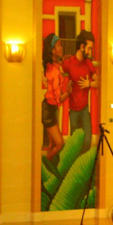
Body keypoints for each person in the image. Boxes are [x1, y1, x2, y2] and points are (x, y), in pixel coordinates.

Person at [61, 29, 98, 154]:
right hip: (73, 111)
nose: (90, 51)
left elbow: (99, 82)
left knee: (87, 139)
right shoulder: (69, 63)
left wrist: (89, 84)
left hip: (84, 109)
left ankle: (83, 164)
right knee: (75, 142)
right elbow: (58, 71)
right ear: (82, 47)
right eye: (89, 48)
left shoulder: (88, 63)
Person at [42, 34, 69, 164]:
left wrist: (63, 60)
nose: (61, 48)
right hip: (49, 109)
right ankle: (45, 165)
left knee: (52, 144)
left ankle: (47, 171)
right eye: (59, 45)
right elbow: (58, 99)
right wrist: (69, 91)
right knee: (59, 144)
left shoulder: (51, 65)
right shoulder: (54, 72)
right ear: (53, 50)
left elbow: (58, 63)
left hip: (48, 108)